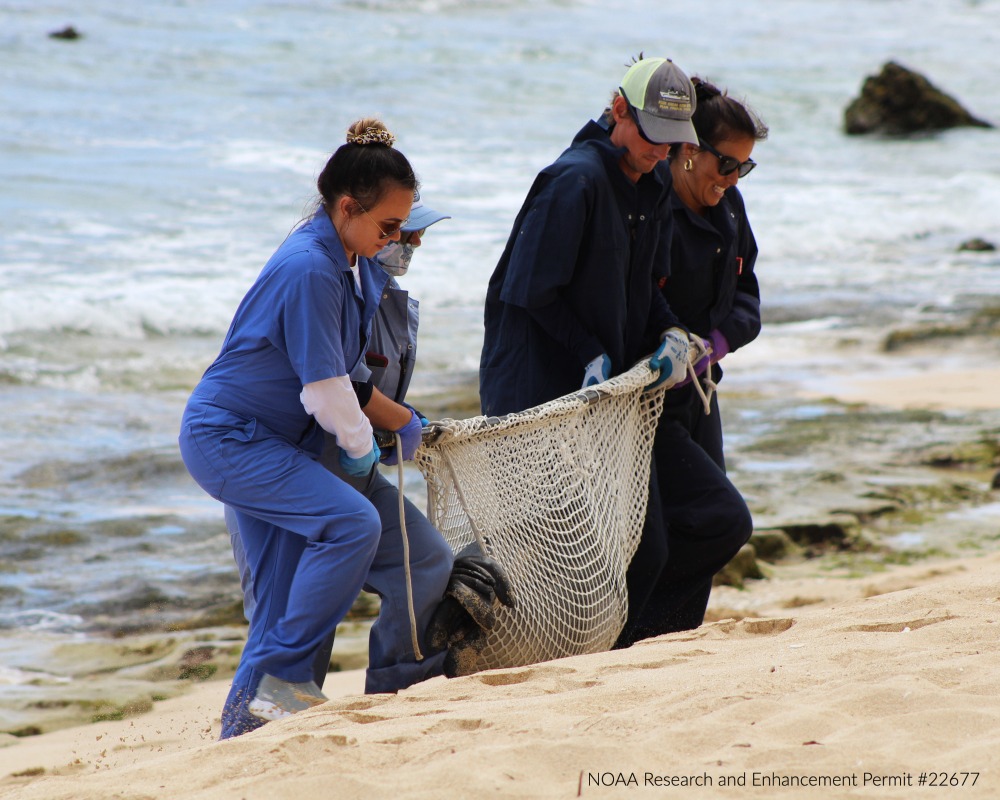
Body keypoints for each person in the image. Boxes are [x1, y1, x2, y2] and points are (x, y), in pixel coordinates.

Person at [178, 119, 453, 740]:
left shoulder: (352, 262)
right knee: (346, 529)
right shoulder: (310, 267)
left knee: (404, 557)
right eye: (389, 228)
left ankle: (261, 724)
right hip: (233, 439)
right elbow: (326, 391)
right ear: (347, 207)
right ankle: (274, 697)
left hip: (296, 444)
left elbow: (346, 383)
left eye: (406, 230)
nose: (397, 241)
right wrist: (362, 451)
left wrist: (399, 424)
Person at [478, 54, 700, 650]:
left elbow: (649, 286)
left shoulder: (651, 183)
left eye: (675, 142)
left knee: (643, 546)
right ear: (619, 111)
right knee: (551, 557)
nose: (662, 152)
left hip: (604, 400)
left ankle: (605, 670)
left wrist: (673, 336)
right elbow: (528, 293)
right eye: (654, 135)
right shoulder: (572, 181)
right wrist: (592, 353)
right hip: (536, 392)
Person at [224, 195, 452, 691]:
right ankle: (257, 727)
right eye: (401, 229)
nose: (411, 241)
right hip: (288, 462)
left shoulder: (382, 291)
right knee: (291, 610)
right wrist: (405, 421)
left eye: (415, 231)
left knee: (425, 559)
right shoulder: (322, 278)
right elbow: (344, 384)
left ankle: (398, 690)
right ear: (356, 216)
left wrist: (390, 433)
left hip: (351, 463)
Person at [617, 77, 769, 644]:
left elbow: (749, 297)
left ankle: (668, 645)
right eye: (724, 164)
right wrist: (670, 348)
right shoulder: (647, 207)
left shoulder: (730, 210)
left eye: (744, 170)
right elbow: (628, 299)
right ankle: (631, 635)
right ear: (687, 150)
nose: (730, 181)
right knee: (718, 521)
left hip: (701, 394)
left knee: (705, 528)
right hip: (644, 403)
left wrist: (716, 346)